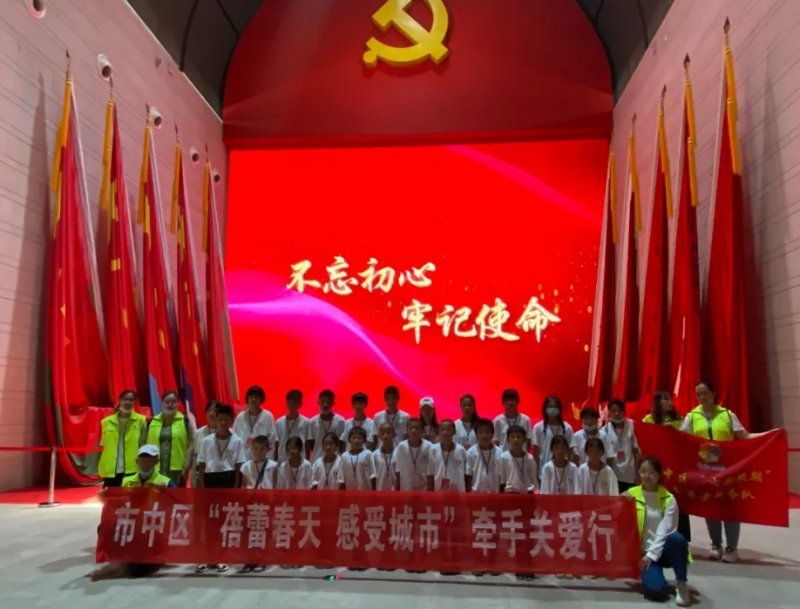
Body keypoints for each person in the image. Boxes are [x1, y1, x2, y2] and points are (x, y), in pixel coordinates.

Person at [680, 380, 754, 563]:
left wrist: (768, 436)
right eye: (699, 394)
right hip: (705, 470)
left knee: (729, 508)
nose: (702, 397)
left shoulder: (728, 415)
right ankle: (716, 545)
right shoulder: (692, 416)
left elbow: (744, 437)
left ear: (713, 393)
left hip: (727, 470)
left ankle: (732, 548)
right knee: (710, 507)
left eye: (705, 393)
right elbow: (681, 438)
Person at [90, 445, 174, 581]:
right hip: (131, 523)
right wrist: (103, 497)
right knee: (105, 527)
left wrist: (166, 493)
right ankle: (120, 558)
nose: (145, 462)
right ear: (137, 461)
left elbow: (178, 504)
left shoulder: (165, 482)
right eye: (142, 458)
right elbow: (112, 502)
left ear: (156, 461)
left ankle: (135, 561)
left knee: (139, 569)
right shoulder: (126, 481)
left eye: (150, 459)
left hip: (152, 526)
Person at [623, 457, 691, 606]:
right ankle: (658, 580)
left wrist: (651, 555)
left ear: (659, 474)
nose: (647, 476)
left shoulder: (669, 499)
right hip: (644, 552)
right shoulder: (631, 494)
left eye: (652, 472)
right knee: (655, 590)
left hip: (664, 550)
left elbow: (665, 531)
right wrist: (620, 502)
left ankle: (681, 584)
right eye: (643, 471)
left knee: (677, 539)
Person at [195, 404, 244, 574]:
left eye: (226, 420)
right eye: (220, 419)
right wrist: (202, 487)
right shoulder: (207, 440)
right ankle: (208, 557)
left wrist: (236, 487)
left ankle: (223, 557)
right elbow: (201, 466)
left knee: (225, 522)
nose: (223, 422)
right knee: (209, 522)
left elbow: (238, 467)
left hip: (228, 480)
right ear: (216, 420)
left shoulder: (237, 441)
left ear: (231, 421)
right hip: (211, 480)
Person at [98, 390, 147, 487]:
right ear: (119, 400)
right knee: (111, 496)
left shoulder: (141, 420)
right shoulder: (106, 422)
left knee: (132, 496)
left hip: (133, 468)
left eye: (131, 400)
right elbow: (103, 445)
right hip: (111, 468)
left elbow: (144, 445)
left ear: (135, 402)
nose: (128, 402)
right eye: (125, 399)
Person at [146, 391, 194, 486]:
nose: (170, 404)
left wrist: (187, 464)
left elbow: (191, 443)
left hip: (177, 469)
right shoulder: (151, 421)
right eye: (167, 402)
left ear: (178, 403)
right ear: (162, 403)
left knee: (177, 493)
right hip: (155, 468)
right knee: (156, 494)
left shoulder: (185, 421)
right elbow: (143, 443)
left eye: (173, 402)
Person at [601, 398, 641, 493]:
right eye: (613, 411)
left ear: (624, 412)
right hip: (615, 473)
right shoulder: (604, 430)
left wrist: (638, 473)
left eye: (619, 411)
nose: (616, 414)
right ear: (609, 412)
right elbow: (606, 457)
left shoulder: (631, 425)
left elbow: (636, 451)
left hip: (630, 473)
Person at [532, 395, 574, 475]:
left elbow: (571, 452)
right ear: (545, 409)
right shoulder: (538, 428)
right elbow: (536, 453)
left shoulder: (567, 428)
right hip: (543, 471)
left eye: (555, 407)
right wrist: (535, 473)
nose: (552, 409)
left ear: (559, 409)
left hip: (563, 471)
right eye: (550, 406)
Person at [234, 385, 277, 462]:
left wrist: (267, 461)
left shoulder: (267, 416)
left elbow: (271, 440)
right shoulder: (240, 417)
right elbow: (235, 439)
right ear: (247, 398)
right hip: (243, 459)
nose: (253, 399)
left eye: (256, 397)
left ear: (261, 399)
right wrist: (238, 460)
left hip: (262, 459)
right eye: (251, 397)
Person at [426, 419, 466, 492]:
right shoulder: (433, 449)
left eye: (448, 430)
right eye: (442, 430)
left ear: (454, 432)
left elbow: (465, 475)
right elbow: (430, 474)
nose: (445, 432)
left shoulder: (461, 450)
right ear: (439, 432)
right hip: (438, 491)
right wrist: (430, 495)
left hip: (458, 493)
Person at [392, 417, 432, 491]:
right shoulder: (401, 446)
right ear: (406, 430)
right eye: (411, 428)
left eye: (417, 428)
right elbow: (398, 470)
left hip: (424, 489)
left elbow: (432, 471)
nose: (413, 430)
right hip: (405, 488)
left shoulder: (429, 446)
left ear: (422, 430)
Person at [306, 389, 345, 462]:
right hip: (316, 460)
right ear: (318, 402)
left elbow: (342, 443)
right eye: (323, 401)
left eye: (328, 402)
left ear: (333, 403)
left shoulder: (340, 421)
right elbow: (310, 443)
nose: (325, 405)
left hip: (335, 461)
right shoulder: (312, 422)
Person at [188, 401, 220, 488]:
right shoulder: (199, 432)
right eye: (209, 410)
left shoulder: (227, 432)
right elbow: (196, 455)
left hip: (218, 472)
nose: (212, 413)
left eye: (215, 410)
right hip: (201, 472)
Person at [499, 424, 538, 494]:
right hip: (509, 493)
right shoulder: (503, 457)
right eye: (512, 437)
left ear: (524, 439)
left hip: (527, 493)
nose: (516, 439)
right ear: (508, 439)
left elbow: (533, 480)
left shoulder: (530, 458)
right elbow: (502, 481)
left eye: (519, 437)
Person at [466, 418, 501, 493]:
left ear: (492, 434)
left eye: (487, 432)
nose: (484, 435)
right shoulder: (471, 452)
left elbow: (501, 476)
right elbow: (469, 475)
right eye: (481, 432)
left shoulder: (499, 452)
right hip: (476, 493)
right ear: (476, 435)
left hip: (495, 493)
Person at [274, 389, 309, 464]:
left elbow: (307, 445)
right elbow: (276, 444)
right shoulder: (279, 422)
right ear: (286, 404)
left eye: (295, 403)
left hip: (300, 462)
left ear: (300, 404)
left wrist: (308, 461)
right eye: (290, 403)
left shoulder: (306, 422)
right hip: (282, 461)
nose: (292, 406)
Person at [373, 422, 397, 491]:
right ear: (379, 435)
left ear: (394, 435)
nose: (385, 436)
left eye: (388, 433)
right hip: (379, 491)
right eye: (382, 433)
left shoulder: (399, 454)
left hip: (396, 493)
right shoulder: (374, 455)